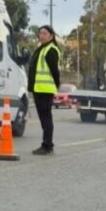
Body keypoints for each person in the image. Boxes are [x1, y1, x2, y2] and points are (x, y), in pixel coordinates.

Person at [27, 25, 60, 155]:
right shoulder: (41, 49)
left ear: (51, 36)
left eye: (45, 33)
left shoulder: (51, 50)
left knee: (46, 118)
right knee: (43, 118)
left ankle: (48, 146)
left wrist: (56, 86)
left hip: (45, 90)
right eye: (40, 33)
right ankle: (46, 144)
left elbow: (55, 71)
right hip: (38, 89)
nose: (42, 35)